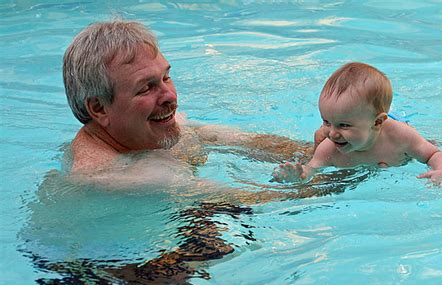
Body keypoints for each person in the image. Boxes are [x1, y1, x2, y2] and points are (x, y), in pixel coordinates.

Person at [63, 19, 317, 202]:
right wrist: (343, 179)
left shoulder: (146, 129)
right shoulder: (119, 176)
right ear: (99, 108)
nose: (170, 96)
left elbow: (235, 139)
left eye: (166, 77)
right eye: (145, 88)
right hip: (123, 268)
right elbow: (257, 200)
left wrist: (325, 150)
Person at [272, 62, 442, 185]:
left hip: (389, 129)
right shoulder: (329, 149)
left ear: (378, 121)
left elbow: (433, 154)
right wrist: (300, 174)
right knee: (321, 138)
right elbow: (312, 170)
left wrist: (440, 170)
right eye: (326, 121)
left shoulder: (401, 137)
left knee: (425, 143)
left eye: (344, 125)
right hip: (366, 131)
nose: (333, 133)